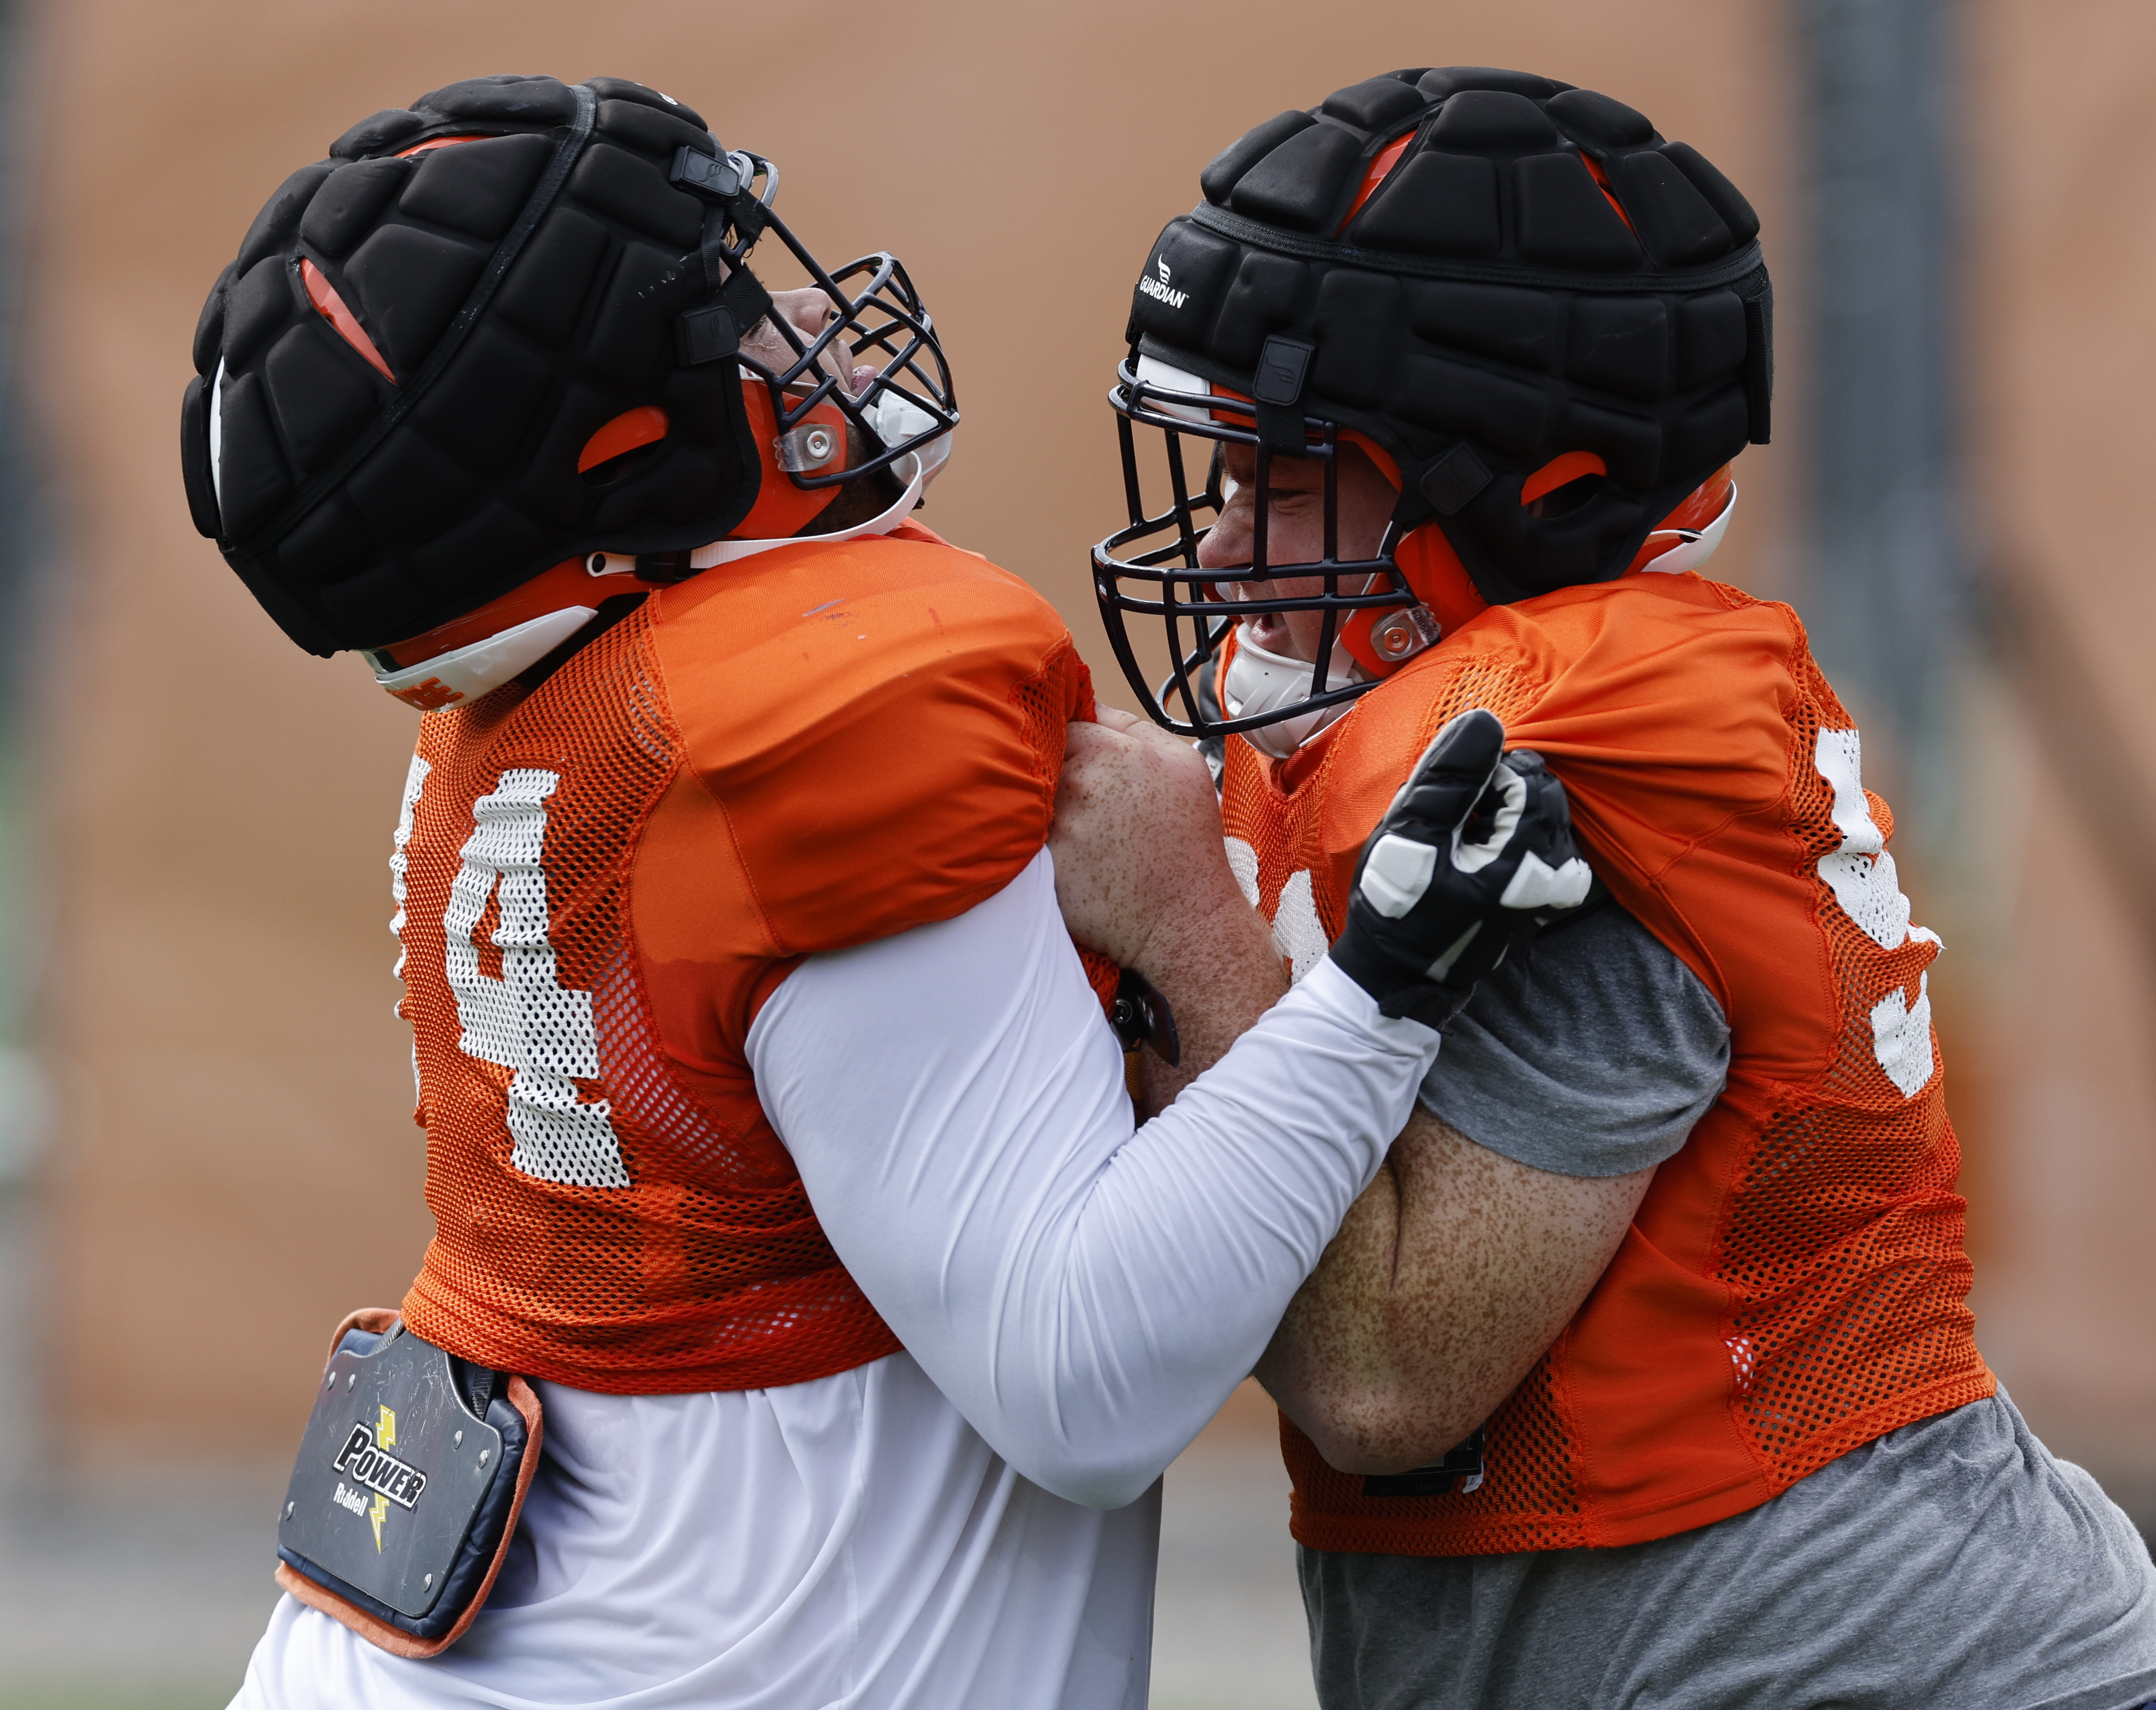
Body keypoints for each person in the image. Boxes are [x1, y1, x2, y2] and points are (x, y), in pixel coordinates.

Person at [182, 73, 1591, 1709]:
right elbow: (1082, 1386)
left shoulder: (524, 720)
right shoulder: (805, 733)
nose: (794, 321)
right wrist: (1379, 994)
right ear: (627, 450)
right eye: (720, 308)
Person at [1089, 63, 2156, 1709]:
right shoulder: (1425, 729)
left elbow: (1385, 1376)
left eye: (1280, 475)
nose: (1223, 548)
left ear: (1503, 493)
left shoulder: (1559, 808)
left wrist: (1176, 934)